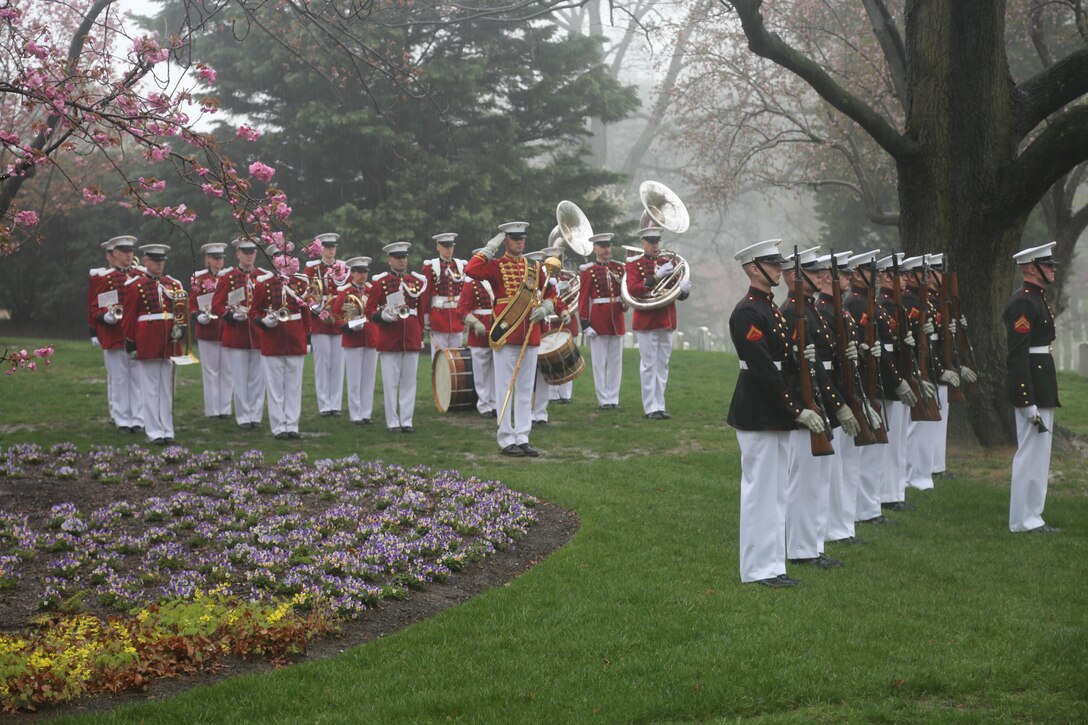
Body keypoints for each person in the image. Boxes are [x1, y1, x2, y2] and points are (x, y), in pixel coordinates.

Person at [728, 239, 818, 588]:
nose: (781, 270)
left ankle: (772, 565)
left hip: (773, 411)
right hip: (759, 411)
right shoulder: (748, 312)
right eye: (774, 264)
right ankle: (757, 569)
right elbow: (763, 368)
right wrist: (796, 409)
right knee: (760, 493)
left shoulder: (771, 309)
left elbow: (783, 359)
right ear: (754, 268)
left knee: (776, 492)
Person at [780, 248, 854, 571]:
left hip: (820, 397)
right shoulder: (792, 311)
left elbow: (824, 363)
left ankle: (813, 544)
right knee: (806, 481)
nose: (821, 277)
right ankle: (801, 548)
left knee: (819, 480)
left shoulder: (810, 310)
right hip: (805, 400)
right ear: (792, 276)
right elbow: (797, 368)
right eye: (813, 272)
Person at [465, 222, 558, 457]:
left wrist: (547, 306)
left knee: (526, 388)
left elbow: (551, 292)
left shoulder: (535, 268)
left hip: (530, 332)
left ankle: (523, 436)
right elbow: (472, 270)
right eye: (514, 238)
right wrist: (490, 247)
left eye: (522, 238)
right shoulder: (496, 266)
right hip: (506, 332)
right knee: (505, 387)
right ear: (505, 240)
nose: (520, 242)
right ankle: (506, 439)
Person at [1004, 242, 1061, 533]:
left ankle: (1033, 517)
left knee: (1040, 455)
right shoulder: (1025, 302)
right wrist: (1025, 399)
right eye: (1047, 265)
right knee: (1030, 454)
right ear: (1030, 268)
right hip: (1032, 386)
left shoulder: (1036, 298)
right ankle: (1022, 520)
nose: (1052, 269)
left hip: (1042, 382)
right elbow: (1018, 354)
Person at [901, 254, 959, 491]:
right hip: (920, 364)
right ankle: (914, 473)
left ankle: (932, 466)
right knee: (918, 424)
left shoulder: (931, 300)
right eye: (927, 272)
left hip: (931, 362)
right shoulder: (908, 301)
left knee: (935, 421)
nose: (933, 277)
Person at [625, 226, 691, 419]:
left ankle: (660, 404)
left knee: (662, 364)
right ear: (642, 243)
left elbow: (677, 293)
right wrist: (656, 277)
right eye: (651, 242)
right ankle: (650, 407)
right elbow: (634, 290)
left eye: (657, 242)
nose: (655, 246)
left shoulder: (667, 262)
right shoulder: (633, 265)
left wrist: (684, 290)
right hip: (647, 320)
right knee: (648, 365)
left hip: (666, 319)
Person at [122, 243, 184, 445]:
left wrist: (181, 329)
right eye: (155, 261)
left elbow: (181, 314)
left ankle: (167, 429)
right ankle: (154, 431)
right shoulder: (134, 285)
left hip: (169, 340)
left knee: (167, 387)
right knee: (150, 387)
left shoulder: (174, 284)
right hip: (147, 339)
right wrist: (130, 342)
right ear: (146, 261)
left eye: (161, 261)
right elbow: (129, 317)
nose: (159, 265)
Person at [364, 242, 427, 433]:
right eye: (398, 257)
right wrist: (381, 316)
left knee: (409, 382)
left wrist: (420, 333)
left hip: (411, 336)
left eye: (404, 257)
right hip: (390, 337)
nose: (402, 261)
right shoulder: (381, 282)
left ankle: (407, 420)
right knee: (391, 383)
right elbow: (369, 310)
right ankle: (392, 421)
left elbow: (420, 311)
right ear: (390, 260)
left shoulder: (415, 281)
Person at [250, 249, 312, 440]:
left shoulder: (300, 283)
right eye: (278, 257)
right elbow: (253, 312)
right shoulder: (264, 284)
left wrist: (308, 339)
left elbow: (306, 313)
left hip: (295, 337)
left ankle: (292, 424)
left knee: (293, 386)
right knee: (275, 387)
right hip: (273, 338)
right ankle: (278, 426)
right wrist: (263, 322)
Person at [88, 235, 143, 433]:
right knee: (119, 379)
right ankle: (122, 419)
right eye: (124, 252)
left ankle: (138, 418)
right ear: (115, 254)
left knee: (137, 378)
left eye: (131, 251)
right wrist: (105, 318)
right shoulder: (106, 279)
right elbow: (95, 309)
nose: (129, 255)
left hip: (136, 335)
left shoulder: (140, 275)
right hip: (115, 334)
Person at [211, 237, 267, 429]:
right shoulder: (228, 277)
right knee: (240, 378)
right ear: (238, 254)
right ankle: (244, 417)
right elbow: (216, 305)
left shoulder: (263, 276)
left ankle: (256, 415)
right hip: (237, 334)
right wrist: (230, 316)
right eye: (245, 252)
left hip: (259, 333)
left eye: (252, 252)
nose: (249, 255)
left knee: (258, 379)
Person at [579, 232, 626, 410]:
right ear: (595, 248)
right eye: (603, 246)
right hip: (598, 319)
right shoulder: (588, 270)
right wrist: (585, 324)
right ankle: (603, 399)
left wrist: (625, 303)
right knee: (599, 362)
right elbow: (583, 299)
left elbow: (625, 292)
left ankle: (613, 398)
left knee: (615, 362)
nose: (607, 249)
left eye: (608, 246)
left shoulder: (619, 267)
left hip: (617, 317)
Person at [332, 256, 378, 425]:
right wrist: (349, 325)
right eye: (359, 271)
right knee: (354, 379)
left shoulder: (371, 290)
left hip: (371, 338)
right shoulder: (345, 292)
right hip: (353, 340)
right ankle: (355, 413)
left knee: (368, 378)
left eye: (365, 271)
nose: (363, 275)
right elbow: (336, 317)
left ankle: (366, 412)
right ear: (352, 273)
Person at [189, 242, 232, 419]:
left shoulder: (229, 276)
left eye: (221, 257)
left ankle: (225, 408)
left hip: (227, 327)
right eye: (215, 258)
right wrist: (197, 315)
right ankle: (213, 409)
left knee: (227, 371)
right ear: (207, 259)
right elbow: (192, 303)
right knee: (211, 371)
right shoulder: (198, 278)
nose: (218, 261)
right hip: (208, 329)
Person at [305, 232, 346, 417]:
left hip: (337, 317)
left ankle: (335, 404)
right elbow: (305, 291)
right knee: (322, 363)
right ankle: (324, 404)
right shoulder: (312, 268)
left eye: (333, 247)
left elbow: (347, 291)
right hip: (319, 318)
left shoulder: (343, 267)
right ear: (321, 249)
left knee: (338, 363)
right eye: (327, 247)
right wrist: (313, 305)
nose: (330, 250)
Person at [456, 250, 497, 418]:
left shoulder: (496, 278)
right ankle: (484, 404)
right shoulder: (470, 282)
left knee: (497, 369)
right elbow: (461, 309)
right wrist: (474, 322)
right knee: (481, 370)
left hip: (497, 328)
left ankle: (496, 402)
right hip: (479, 330)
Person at [420, 232, 467, 357]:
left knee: (457, 358)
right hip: (438, 318)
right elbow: (425, 295)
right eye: (445, 247)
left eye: (451, 247)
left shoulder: (460, 266)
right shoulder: (430, 267)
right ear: (438, 247)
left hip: (457, 317)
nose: (448, 250)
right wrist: (425, 318)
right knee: (439, 358)